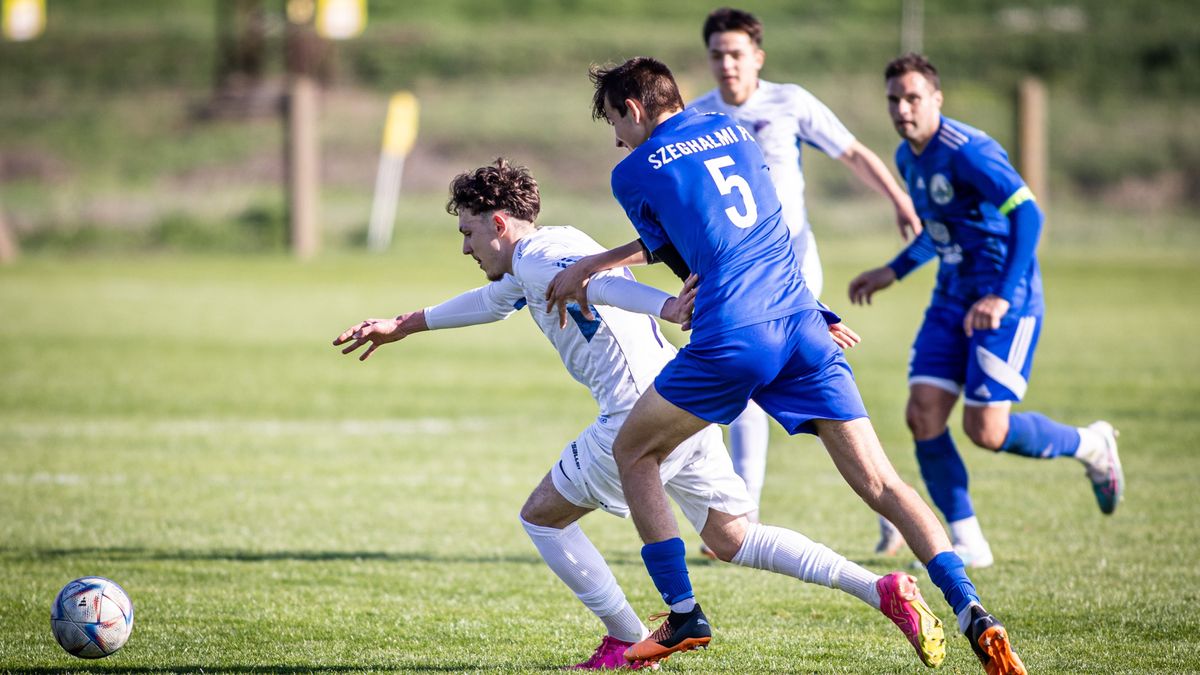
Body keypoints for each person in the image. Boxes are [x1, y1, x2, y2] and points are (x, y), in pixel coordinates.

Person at [333, 159, 948, 671]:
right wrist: (403, 326)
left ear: (499, 224)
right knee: (731, 538)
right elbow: (492, 302)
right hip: (685, 399)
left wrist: (666, 307)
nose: (465, 247)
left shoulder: (540, 261)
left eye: (469, 233)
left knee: (542, 519)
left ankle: (626, 637)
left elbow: (603, 285)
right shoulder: (549, 250)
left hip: (636, 413)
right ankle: (881, 589)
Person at [545, 57, 1026, 674]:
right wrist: (817, 309)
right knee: (885, 485)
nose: (615, 136)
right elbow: (758, 231)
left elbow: (679, 258)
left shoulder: (632, 170)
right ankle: (972, 609)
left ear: (634, 110)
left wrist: (590, 266)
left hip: (735, 333)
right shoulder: (736, 132)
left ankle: (683, 613)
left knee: (634, 452)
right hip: (802, 323)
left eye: (615, 120)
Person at [848, 53, 1125, 568]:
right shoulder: (908, 157)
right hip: (951, 296)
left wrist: (1000, 294)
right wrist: (895, 270)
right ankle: (966, 539)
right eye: (893, 99)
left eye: (912, 98)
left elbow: (1029, 213)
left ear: (936, 98)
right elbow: (940, 230)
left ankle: (1091, 444)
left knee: (987, 432)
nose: (902, 109)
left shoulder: (969, 151)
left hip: (1005, 299)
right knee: (922, 412)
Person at [688, 7, 922, 534]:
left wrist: (899, 199)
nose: (727, 64)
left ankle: (888, 503)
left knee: (800, 380)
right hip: (736, 277)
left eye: (736, 54)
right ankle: (746, 512)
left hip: (794, 270)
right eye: (717, 55)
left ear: (757, 58)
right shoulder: (699, 119)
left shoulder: (789, 101)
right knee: (747, 381)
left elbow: (853, 153)